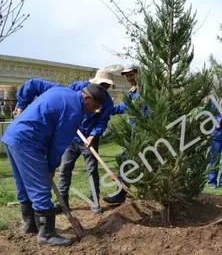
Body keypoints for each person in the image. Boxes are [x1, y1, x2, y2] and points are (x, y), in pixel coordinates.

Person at [2, 84, 106, 246]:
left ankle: (30, 224)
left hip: (12, 136)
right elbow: (59, 145)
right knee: (41, 187)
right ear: (86, 98)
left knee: (23, 184)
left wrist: (21, 104)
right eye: (94, 106)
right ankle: (47, 234)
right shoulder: (74, 111)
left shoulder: (62, 90)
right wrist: (51, 167)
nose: (93, 110)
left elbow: (34, 83)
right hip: (29, 142)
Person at [13, 68, 115, 215]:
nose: (104, 88)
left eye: (106, 85)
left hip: (89, 140)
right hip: (71, 136)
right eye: (102, 84)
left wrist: (93, 135)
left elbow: (102, 121)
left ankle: (94, 201)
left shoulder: (107, 102)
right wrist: (21, 104)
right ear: (94, 81)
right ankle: (61, 201)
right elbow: (67, 105)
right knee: (65, 168)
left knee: (92, 170)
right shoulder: (77, 87)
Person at [102, 63, 140, 204]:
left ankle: (121, 194)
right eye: (128, 75)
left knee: (128, 162)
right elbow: (122, 108)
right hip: (134, 135)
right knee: (126, 162)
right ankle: (121, 193)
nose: (130, 77)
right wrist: (104, 108)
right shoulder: (133, 92)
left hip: (143, 134)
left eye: (132, 74)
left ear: (139, 73)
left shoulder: (146, 91)